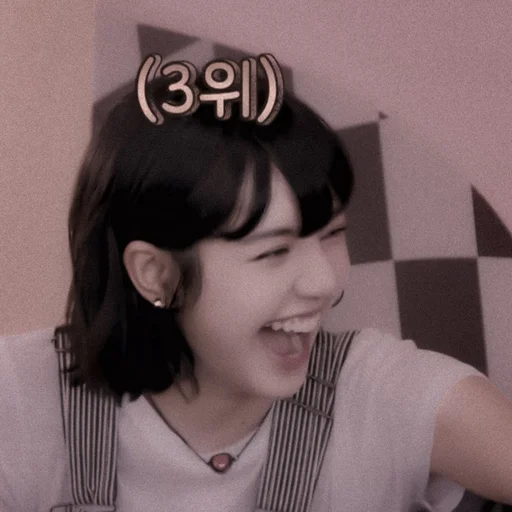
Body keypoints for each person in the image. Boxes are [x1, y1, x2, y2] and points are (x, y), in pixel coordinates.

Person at [1, 72, 511, 512]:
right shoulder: (19, 401)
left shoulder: (378, 396)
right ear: (156, 273)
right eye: (274, 251)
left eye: (333, 233)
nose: (324, 283)